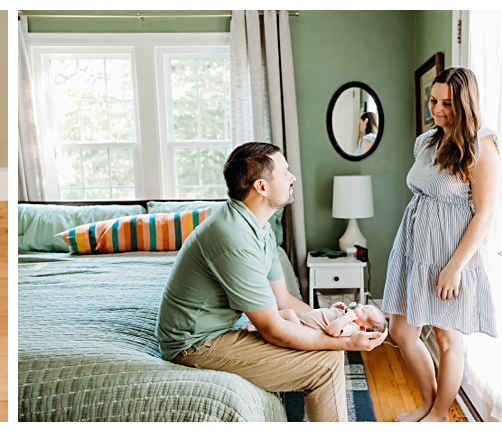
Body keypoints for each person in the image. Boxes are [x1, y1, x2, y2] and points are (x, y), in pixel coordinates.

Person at [156, 142, 387, 422]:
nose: (293, 178)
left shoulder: (260, 228)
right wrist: (346, 343)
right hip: (195, 343)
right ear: (261, 187)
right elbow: (273, 329)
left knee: (329, 351)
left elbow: (284, 301)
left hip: (222, 328)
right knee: (326, 363)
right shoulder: (234, 238)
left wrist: (331, 322)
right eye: (285, 172)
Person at [378, 66, 502, 423]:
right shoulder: (427, 141)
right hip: (415, 250)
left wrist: (454, 268)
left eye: (447, 103)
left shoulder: (483, 145)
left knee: (448, 339)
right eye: (434, 100)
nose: (437, 109)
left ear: (465, 104)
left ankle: (438, 416)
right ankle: (429, 405)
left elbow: (485, 215)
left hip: (449, 256)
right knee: (401, 331)